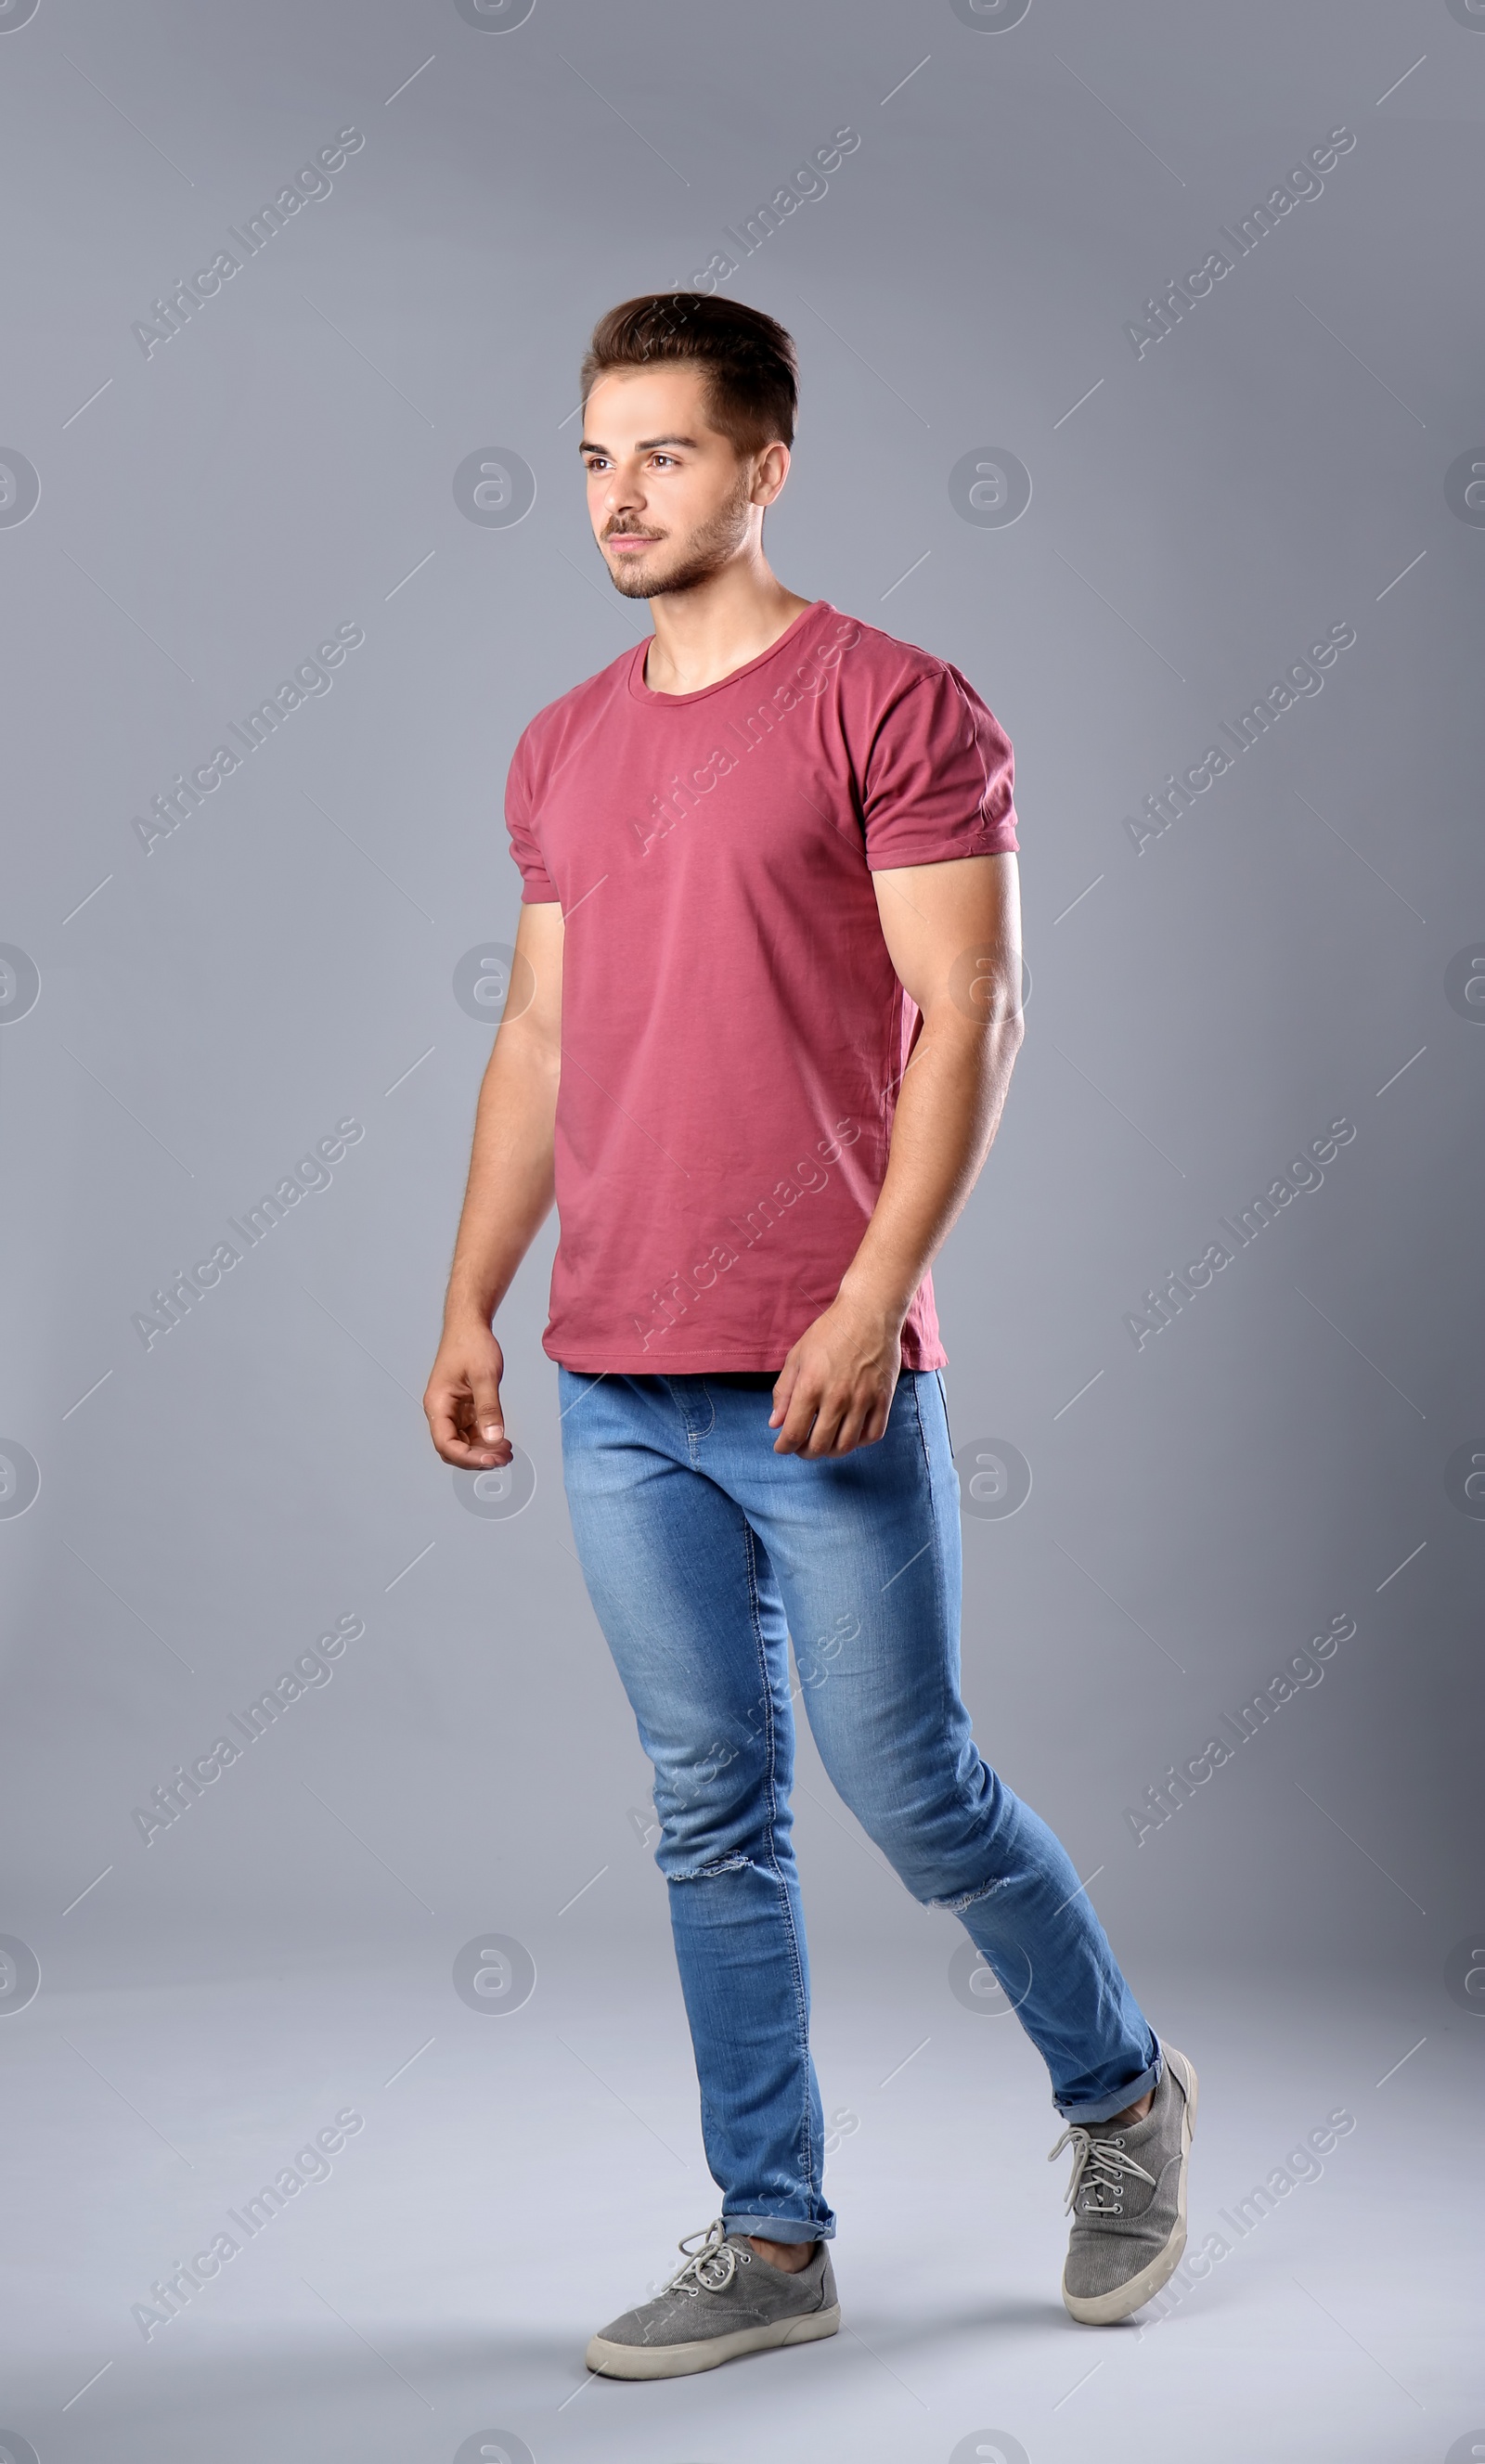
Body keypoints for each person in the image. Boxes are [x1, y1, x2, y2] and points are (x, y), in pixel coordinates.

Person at [423, 290, 1195, 2380]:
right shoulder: (561, 746)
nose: (618, 492)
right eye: (594, 453)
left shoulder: (894, 703)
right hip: (615, 1379)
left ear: (766, 463)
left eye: (663, 452)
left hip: (816, 1363)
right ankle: (773, 2238)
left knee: (914, 1787)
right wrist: (471, 1297)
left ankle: (1121, 2097)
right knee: (706, 1808)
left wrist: (868, 1293)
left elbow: (971, 1010)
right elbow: (541, 1033)